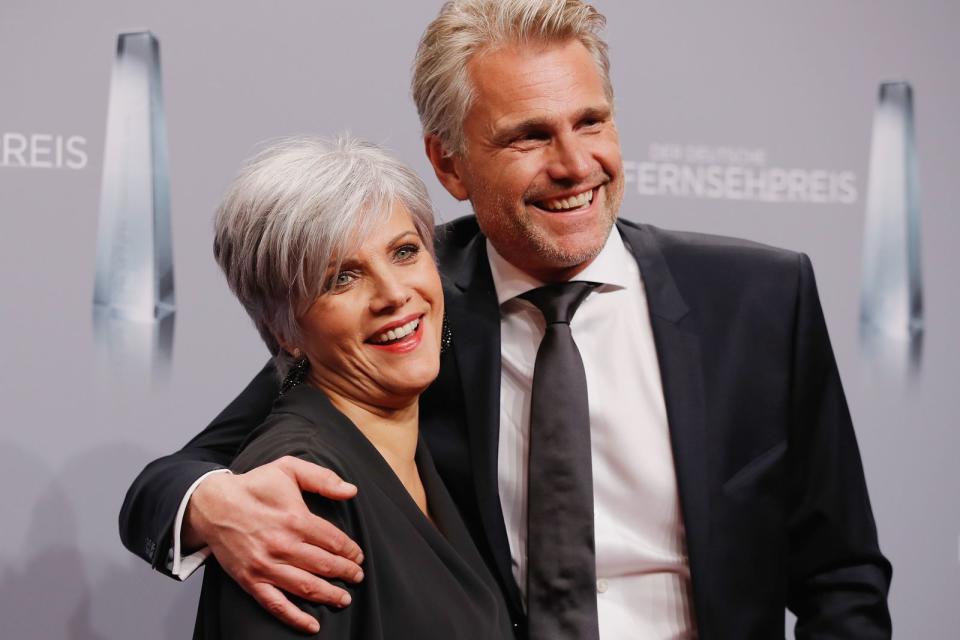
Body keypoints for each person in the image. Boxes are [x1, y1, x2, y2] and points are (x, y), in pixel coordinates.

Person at [120, 1, 892, 638]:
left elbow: (842, 574)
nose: (574, 165)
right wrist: (211, 506)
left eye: (590, 122)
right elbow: (180, 476)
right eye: (528, 136)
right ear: (449, 163)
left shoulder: (758, 299)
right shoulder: (411, 305)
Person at [190, 136, 513, 639]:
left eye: (405, 252)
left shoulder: (406, 446)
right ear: (284, 332)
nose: (393, 294)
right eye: (342, 278)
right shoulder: (302, 490)